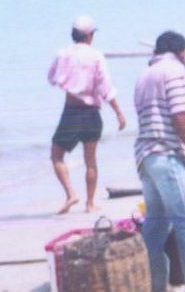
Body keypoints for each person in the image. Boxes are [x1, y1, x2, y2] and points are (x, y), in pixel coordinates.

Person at [133, 30, 185, 292]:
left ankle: (153, 284)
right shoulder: (175, 70)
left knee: (156, 223)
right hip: (166, 153)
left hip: (145, 156)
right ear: (182, 53)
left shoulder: (144, 75)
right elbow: (180, 116)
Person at [47, 15, 126, 214]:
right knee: (90, 160)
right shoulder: (96, 56)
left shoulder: (62, 54)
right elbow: (105, 87)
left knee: (57, 156)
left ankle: (71, 194)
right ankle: (90, 204)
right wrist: (118, 113)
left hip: (72, 113)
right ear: (89, 35)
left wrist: (70, 82)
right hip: (92, 113)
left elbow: (51, 77)